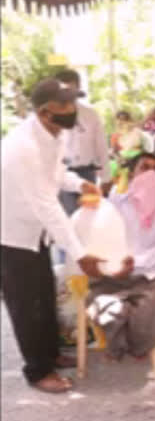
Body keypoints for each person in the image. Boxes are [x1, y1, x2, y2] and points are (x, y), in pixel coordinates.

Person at [1, 78, 104, 393]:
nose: (72, 110)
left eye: (73, 102)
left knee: (45, 297)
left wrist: (78, 184)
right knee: (26, 306)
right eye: (65, 106)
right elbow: (47, 204)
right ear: (45, 112)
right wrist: (80, 252)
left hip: (37, 233)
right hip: (12, 236)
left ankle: (52, 354)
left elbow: (56, 176)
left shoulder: (53, 135)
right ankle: (38, 371)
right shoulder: (23, 147)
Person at [92, 152, 155, 360]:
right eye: (145, 167)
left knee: (149, 310)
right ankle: (119, 343)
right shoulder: (114, 205)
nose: (151, 173)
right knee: (103, 305)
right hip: (114, 276)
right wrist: (113, 265)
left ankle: (136, 346)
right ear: (132, 175)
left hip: (152, 277)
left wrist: (132, 263)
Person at [54, 69, 110, 214]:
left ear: (78, 88)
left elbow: (101, 147)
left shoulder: (90, 115)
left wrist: (106, 177)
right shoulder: (51, 117)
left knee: (89, 216)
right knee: (70, 215)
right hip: (63, 173)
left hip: (87, 173)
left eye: (71, 89)